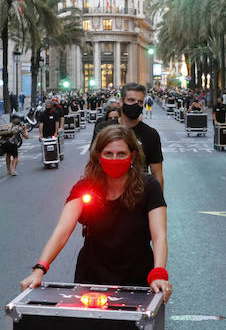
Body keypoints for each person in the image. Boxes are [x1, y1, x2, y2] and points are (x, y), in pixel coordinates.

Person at [19, 125, 171, 300]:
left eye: (121, 154)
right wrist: (39, 269)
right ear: (98, 156)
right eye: (108, 153)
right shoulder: (85, 187)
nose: (115, 158)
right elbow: (62, 231)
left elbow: (159, 236)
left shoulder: (149, 186)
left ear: (132, 156)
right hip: (91, 278)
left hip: (137, 277)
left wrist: (159, 274)